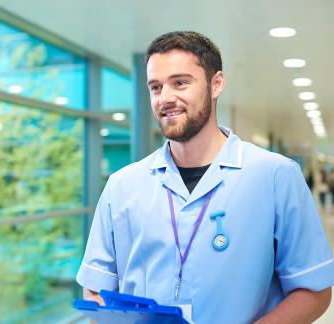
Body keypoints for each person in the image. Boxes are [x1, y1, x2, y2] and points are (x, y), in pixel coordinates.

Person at [76, 31, 334, 323]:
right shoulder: (121, 185)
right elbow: (96, 289)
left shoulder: (275, 176)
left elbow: (314, 290)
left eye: (181, 83)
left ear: (216, 84)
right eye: (156, 87)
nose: (166, 98)